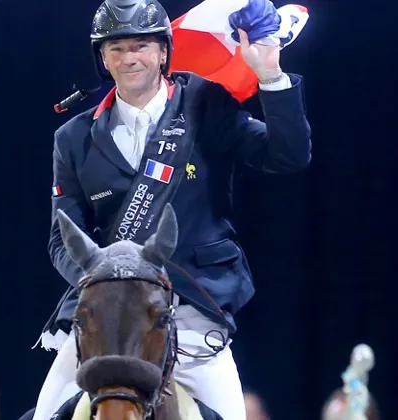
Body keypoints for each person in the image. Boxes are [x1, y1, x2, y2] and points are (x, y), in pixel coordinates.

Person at [31, 1, 311, 419]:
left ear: (163, 51)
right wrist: (105, 283)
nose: (129, 58)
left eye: (141, 46)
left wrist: (270, 74)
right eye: (116, 48)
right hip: (108, 319)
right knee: (45, 413)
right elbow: (62, 239)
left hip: (190, 310)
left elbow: (287, 156)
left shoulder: (205, 104)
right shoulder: (73, 137)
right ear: (103, 58)